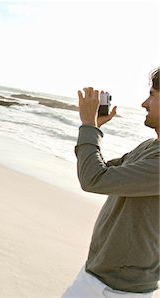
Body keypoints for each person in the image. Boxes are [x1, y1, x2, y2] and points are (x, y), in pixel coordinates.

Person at [63, 68, 160, 297]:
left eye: (153, 95)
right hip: (96, 276)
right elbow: (98, 170)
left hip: (120, 290)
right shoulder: (150, 147)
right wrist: (94, 127)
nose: (144, 103)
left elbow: (93, 179)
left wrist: (88, 126)